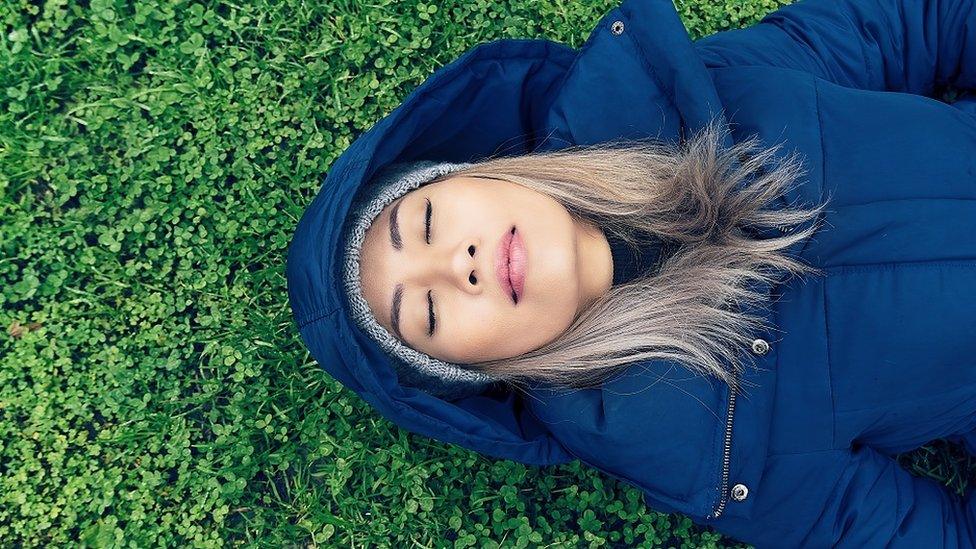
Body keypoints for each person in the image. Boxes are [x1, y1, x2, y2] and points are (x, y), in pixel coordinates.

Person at [286, 0, 976, 546]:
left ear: (476, 170)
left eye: (429, 222)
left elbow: (908, 22)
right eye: (429, 314)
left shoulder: (689, 92)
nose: (458, 264)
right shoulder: (712, 451)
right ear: (481, 371)